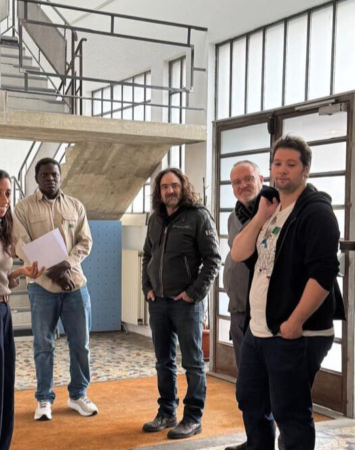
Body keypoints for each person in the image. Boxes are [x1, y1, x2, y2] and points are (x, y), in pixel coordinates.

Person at [231, 136, 345, 450]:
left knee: (290, 411)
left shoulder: (316, 212)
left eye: (291, 164)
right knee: (250, 398)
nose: (282, 170)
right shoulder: (271, 209)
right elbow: (239, 253)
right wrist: (260, 216)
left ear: (305, 170)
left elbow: (323, 274)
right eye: (277, 163)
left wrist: (295, 321)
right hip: (260, 329)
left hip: (296, 332)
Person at [14, 157, 97, 421]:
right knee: (43, 345)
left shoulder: (75, 206)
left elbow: (85, 242)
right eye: (45, 175)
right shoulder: (23, 208)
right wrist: (55, 273)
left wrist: (66, 265)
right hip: (41, 287)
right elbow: (22, 245)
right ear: (37, 178)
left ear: (60, 177)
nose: (50, 179)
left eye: (55, 175)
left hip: (76, 285)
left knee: (80, 344)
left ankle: (78, 395)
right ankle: (44, 399)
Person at [141, 168, 220, 440]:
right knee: (163, 361)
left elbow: (213, 259)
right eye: (164, 187)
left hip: (186, 304)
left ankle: (193, 418)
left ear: (183, 187)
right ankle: (166, 413)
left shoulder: (198, 216)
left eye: (174, 185)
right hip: (158, 303)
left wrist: (193, 293)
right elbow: (148, 255)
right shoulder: (155, 217)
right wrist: (147, 287)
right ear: (159, 191)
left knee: (193, 363)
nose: (170, 191)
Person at [0, 167, 44, 450]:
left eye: (7, 193)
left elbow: (2, 278)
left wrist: (22, 272)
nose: (4, 200)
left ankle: (2, 445)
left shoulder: (2, 228)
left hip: (4, 313)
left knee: (6, 386)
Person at [223, 161, 263, 450]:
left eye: (248, 179)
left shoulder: (273, 210)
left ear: (261, 178)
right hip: (238, 310)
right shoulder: (233, 216)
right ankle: (254, 440)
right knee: (247, 384)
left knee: (268, 385)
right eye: (236, 182)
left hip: (263, 312)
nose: (242, 186)